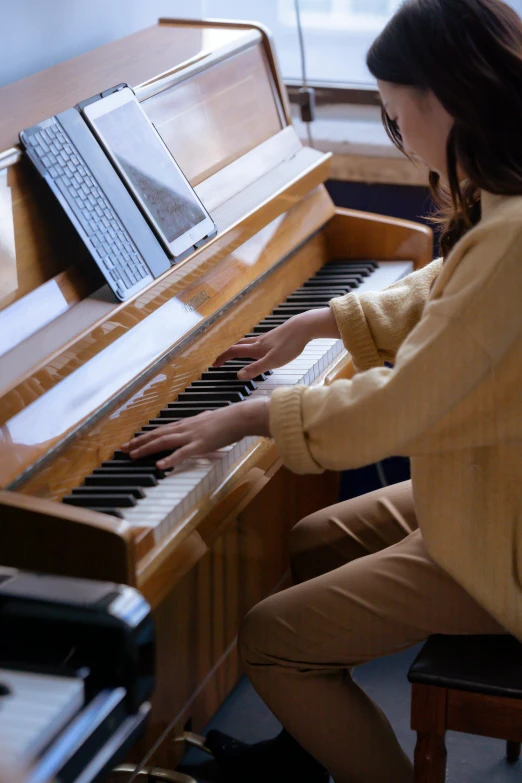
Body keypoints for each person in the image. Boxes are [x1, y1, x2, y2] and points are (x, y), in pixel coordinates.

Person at [122, 0, 522, 779]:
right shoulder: (507, 202)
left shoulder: (510, 237)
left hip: (502, 539)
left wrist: (253, 414)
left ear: (443, 100)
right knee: (310, 542)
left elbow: (398, 404)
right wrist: (323, 323)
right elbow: (451, 295)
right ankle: (307, 753)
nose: (396, 137)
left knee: (271, 635)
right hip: (490, 482)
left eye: (394, 118)